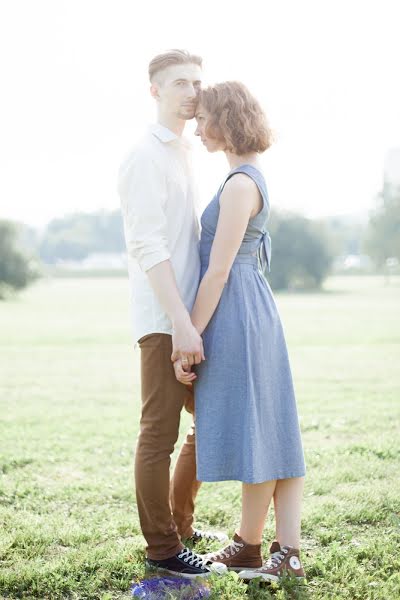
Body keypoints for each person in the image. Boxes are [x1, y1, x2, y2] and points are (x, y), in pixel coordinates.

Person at [173, 81, 307, 582]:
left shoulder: (240, 184)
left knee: (267, 431)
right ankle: (253, 547)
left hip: (238, 313)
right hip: (248, 311)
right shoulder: (243, 178)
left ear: (226, 120)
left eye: (204, 117)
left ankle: (280, 550)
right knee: (266, 429)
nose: (198, 126)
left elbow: (218, 272)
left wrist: (190, 335)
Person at [118, 50, 227, 579]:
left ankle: (180, 521)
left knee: (211, 422)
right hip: (165, 319)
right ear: (154, 90)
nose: (192, 91)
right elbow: (149, 246)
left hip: (190, 318)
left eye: (197, 82)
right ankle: (162, 548)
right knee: (158, 435)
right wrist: (180, 322)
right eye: (180, 82)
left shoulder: (184, 151)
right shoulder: (146, 154)